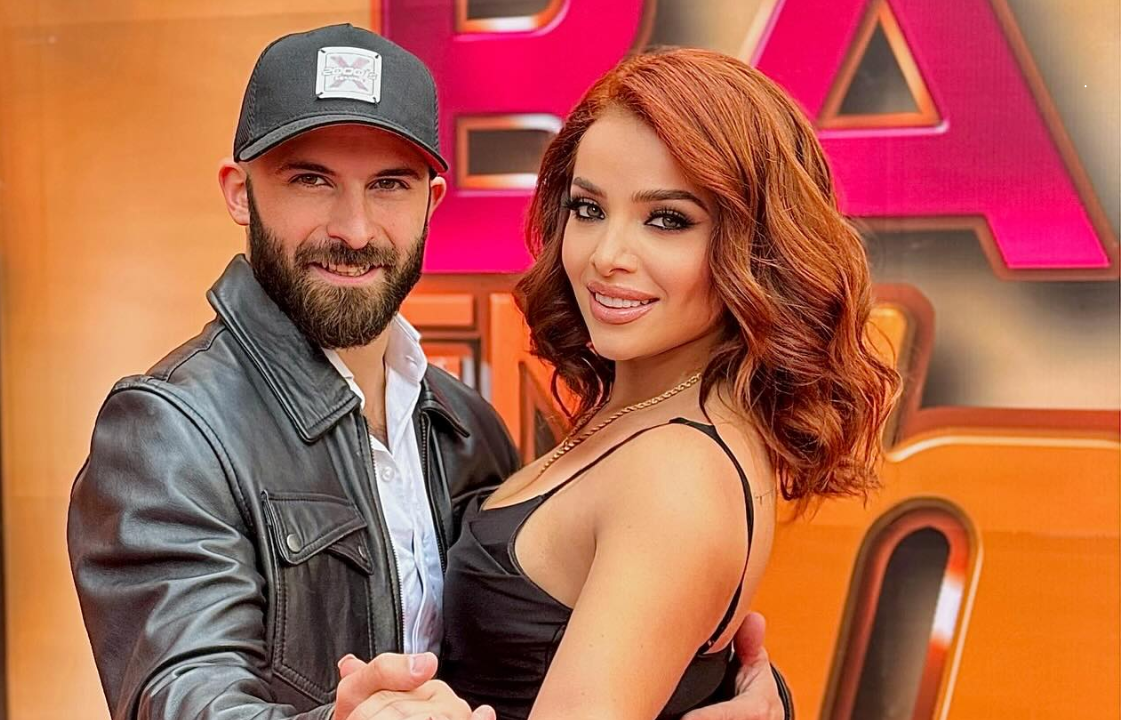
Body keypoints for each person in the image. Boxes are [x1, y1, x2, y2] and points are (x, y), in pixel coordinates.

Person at [67, 25, 792, 720]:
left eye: (389, 184)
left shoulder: (464, 423)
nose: (354, 230)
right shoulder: (169, 432)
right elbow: (177, 696)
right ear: (239, 191)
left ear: (430, 202)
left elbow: (548, 639)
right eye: (311, 180)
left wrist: (706, 682)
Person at [335, 48, 899, 719]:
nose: (607, 256)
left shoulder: (678, 471)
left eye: (668, 219)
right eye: (589, 209)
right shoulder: (644, 417)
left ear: (756, 245)